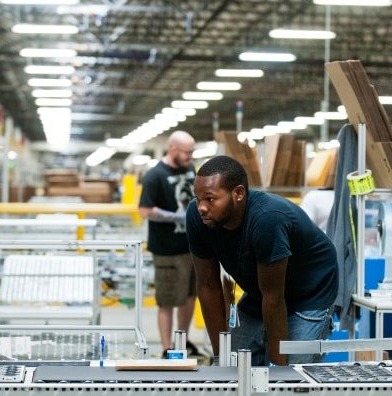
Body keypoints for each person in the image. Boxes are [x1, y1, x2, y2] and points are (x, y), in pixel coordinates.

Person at [186, 156, 338, 366]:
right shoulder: (198, 217)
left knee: (294, 373)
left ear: (238, 193)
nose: (201, 206)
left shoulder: (268, 218)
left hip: (309, 293)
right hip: (263, 291)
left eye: (210, 199)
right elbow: (208, 286)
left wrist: (279, 374)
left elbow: (274, 300)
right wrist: (221, 358)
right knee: (230, 366)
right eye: (198, 198)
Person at [139, 130, 202, 358]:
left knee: (189, 298)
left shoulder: (190, 169)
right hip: (166, 250)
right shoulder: (155, 175)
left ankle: (181, 342)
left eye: (192, 152)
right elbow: (145, 210)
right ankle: (167, 347)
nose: (190, 157)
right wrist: (177, 217)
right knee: (167, 300)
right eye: (187, 152)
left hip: (192, 248)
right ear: (173, 149)